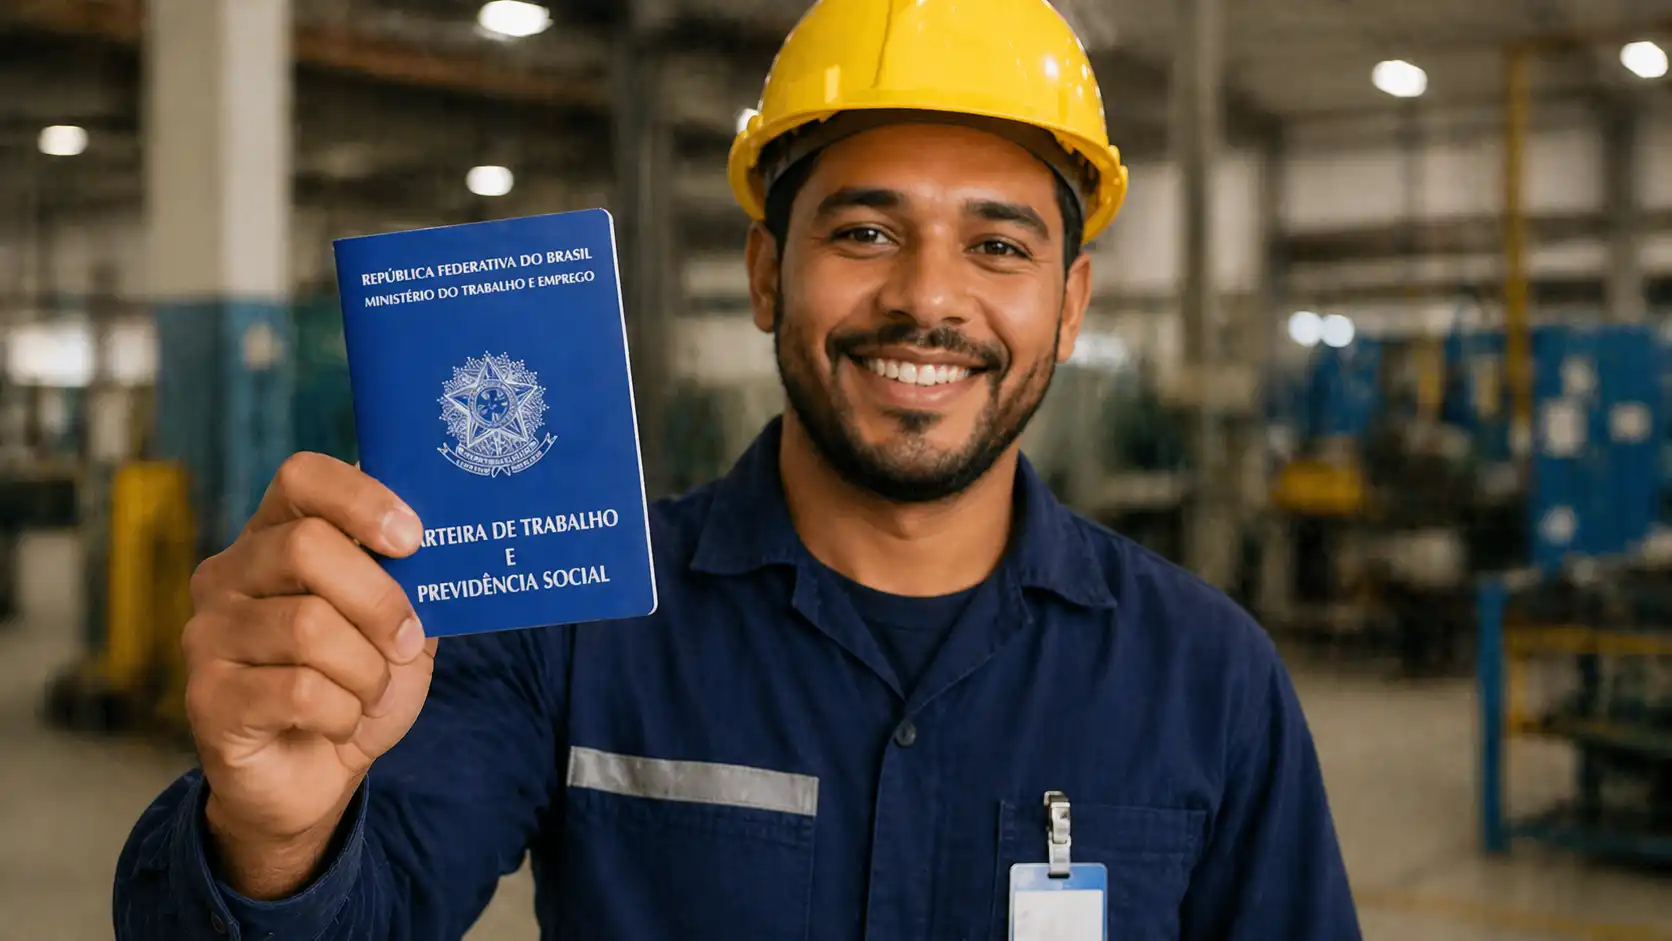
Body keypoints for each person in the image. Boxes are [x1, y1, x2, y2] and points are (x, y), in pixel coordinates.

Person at [113, 0, 1361, 938]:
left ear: (1070, 302)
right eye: (864, 231)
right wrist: (274, 832)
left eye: (997, 244)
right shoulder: (573, 621)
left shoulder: (1207, 680)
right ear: (767, 273)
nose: (927, 297)